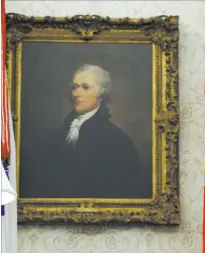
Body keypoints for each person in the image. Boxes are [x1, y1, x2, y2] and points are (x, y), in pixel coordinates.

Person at [35, 64, 150, 199]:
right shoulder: (55, 137)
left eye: (85, 87)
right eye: (75, 87)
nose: (76, 94)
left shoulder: (117, 141)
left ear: (101, 94)